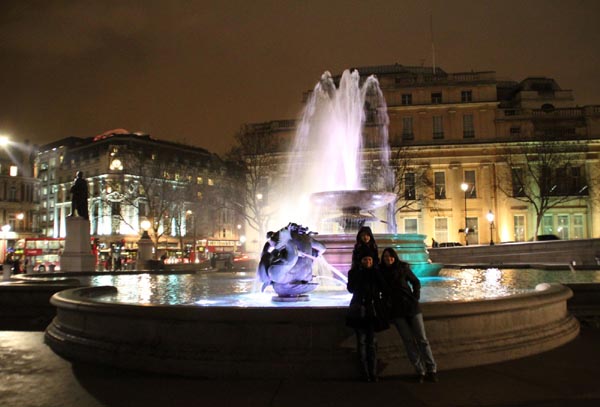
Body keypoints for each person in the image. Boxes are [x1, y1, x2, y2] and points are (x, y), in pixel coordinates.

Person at [380, 247, 438, 383]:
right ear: (383, 258)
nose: (388, 258)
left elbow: (415, 282)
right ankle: (420, 371)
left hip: (411, 307)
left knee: (422, 339)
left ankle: (431, 369)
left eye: (390, 256)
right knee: (408, 342)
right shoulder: (381, 272)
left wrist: (415, 297)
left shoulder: (402, 268)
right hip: (396, 310)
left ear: (394, 257)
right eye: (386, 256)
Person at [346, 253, 389, 382]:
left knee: (371, 342)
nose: (368, 261)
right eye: (365, 259)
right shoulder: (353, 273)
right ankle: (365, 373)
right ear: (361, 261)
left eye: (370, 259)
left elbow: (384, 287)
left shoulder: (376, 272)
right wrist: (359, 273)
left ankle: (373, 372)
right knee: (361, 342)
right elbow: (350, 289)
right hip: (358, 310)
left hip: (371, 311)